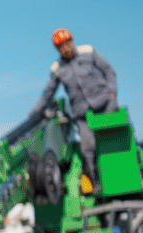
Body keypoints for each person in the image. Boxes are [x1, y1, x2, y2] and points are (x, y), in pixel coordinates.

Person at [28, 28, 117, 191]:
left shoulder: (88, 52)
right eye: (61, 47)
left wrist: (112, 95)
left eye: (67, 44)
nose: (66, 49)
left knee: (112, 141)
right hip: (83, 114)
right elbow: (47, 94)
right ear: (57, 50)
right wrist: (34, 113)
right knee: (88, 147)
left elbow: (109, 71)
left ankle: (119, 177)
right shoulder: (58, 69)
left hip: (105, 105)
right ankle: (96, 182)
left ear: (72, 42)